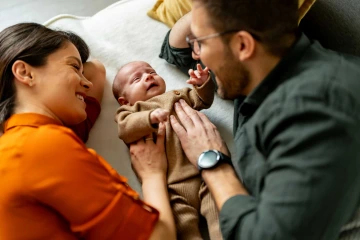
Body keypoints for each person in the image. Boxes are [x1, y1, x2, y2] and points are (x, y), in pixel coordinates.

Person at [154, 0, 360, 239]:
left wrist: (212, 160)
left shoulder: (319, 113)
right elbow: (174, 50)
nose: (196, 54)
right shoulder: (265, 64)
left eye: (200, 42)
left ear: (243, 45)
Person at [0, 23, 176, 240]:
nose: (86, 82)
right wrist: (152, 174)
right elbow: (160, 237)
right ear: (25, 72)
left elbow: (96, 70)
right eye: (74, 67)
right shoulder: (44, 145)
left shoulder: (18, 143)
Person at [112, 60, 222, 240]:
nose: (148, 76)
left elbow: (203, 100)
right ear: (125, 101)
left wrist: (203, 84)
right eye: (137, 79)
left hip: (204, 172)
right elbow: (125, 129)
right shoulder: (130, 111)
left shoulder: (177, 95)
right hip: (172, 187)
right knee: (184, 228)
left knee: (219, 214)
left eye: (152, 72)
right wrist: (149, 117)